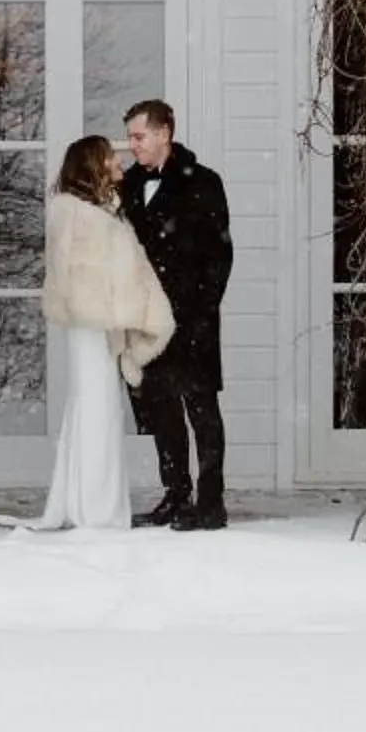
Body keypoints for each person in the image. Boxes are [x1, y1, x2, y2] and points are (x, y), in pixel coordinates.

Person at [0, 136, 174, 532]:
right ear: (94, 165)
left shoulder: (90, 211)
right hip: (93, 324)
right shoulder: (79, 215)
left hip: (97, 324)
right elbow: (87, 275)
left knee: (96, 410)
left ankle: (88, 504)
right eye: (110, 157)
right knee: (96, 411)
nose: (118, 161)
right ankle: (96, 511)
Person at [119, 99, 233, 531]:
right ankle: (176, 495)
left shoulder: (203, 182)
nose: (132, 146)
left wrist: (203, 310)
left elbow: (219, 253)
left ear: (164, 132)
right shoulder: (128, 185)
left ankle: (210, 502)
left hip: (191, 316)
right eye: (131, 137)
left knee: (202, 409)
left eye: (139, 136)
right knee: (161, 410)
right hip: (146, 320)